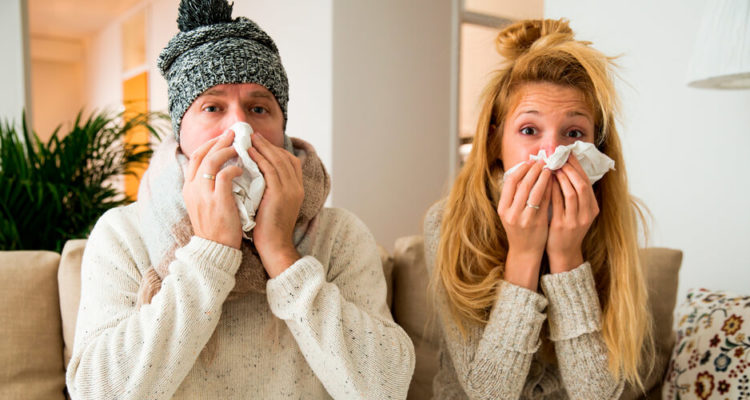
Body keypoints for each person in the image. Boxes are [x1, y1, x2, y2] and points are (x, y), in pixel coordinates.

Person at [65, 0, 415, 398]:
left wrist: (281, 254)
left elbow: (386, 388)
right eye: (212, 107)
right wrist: (209, 253)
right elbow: (95, 392)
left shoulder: (340, 234)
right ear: (180, 132)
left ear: (282, 130)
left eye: (258, 108)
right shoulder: (123, 234)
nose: (239, 128)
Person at [424, 19, 652, 399]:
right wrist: (525, 254)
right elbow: (488, 393)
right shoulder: (449, 222)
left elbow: (598, 394)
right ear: (495, 140)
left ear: (597, 147)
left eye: (573, 134)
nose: (553, 153)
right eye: (530, 130)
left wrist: (567, 257)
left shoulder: (612, 219)